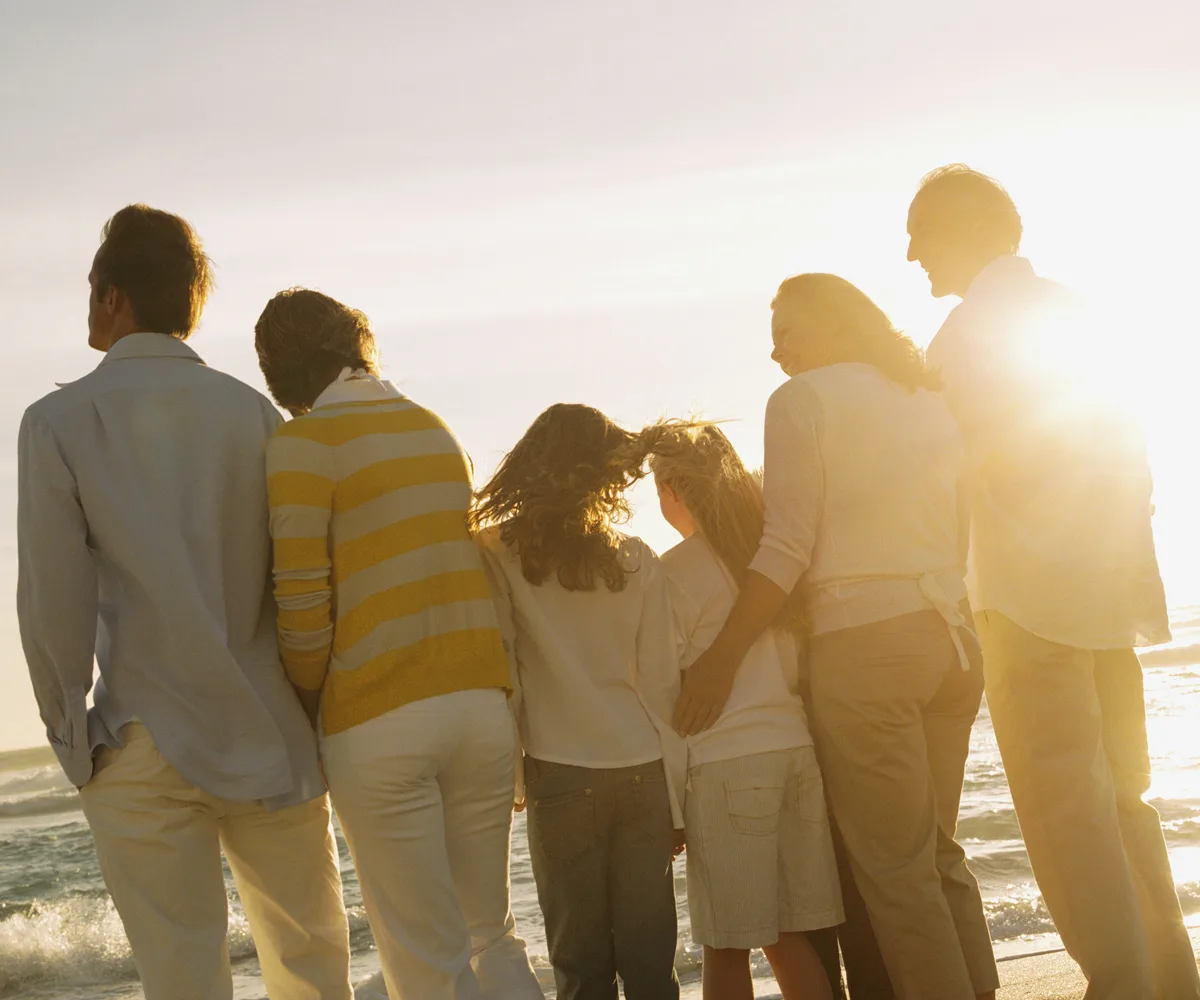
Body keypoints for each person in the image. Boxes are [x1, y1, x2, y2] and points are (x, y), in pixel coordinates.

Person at [16, 206, 353, 1000]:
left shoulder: (58, 421)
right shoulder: (254, 413)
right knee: (312, 970)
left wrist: (71, 738)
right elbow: (299, 575)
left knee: (182, 980)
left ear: (113, 297)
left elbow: (53, 600)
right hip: (269, 730)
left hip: (144, 736)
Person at [909, 164, 1200, 1000]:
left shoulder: (967, 334)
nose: (912, 255)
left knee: (1065, 814)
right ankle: (1170, 982)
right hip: (1110, 600)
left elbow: (941, 470)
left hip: (1027, 600)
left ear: (970, 229)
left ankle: (1122, 986)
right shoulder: (1077, 310)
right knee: (1122, 804)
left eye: (921, 235)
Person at [671, 274, 1000, 1000]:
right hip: (950, 642)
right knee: (937, 851)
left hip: (867, 649)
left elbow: (785, 548)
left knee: (898, 871)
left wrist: (721, 659)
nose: (775, 351)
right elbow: (960, 529)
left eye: (786, 331)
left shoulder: (802, 400)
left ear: (838, 324)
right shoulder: (928, 397)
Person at [255, 288, 542, 1000]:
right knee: (491, 934)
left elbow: (302, 605)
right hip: (479, 706)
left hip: (380, 717)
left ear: (279, 367)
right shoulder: (432, 427)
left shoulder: (301, 444)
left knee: (426, 963)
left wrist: (309, 702)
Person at [471, 403, 686, 1000]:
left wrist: (515, 777)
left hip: (560, 772)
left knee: (580, 969)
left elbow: (504, 670)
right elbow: (662, 685)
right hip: (643, 772)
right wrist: (677, 799)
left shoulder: (496, 550)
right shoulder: (636, 557)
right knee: (651, 967)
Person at [650, 425, 842, 1000]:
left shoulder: (673, 572)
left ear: (673, 489)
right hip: (795, 754)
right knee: (786, 934)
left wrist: (671, 805)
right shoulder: (764, 562)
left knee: (726, 945)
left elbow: (666, 698)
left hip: (728, 765)